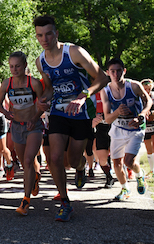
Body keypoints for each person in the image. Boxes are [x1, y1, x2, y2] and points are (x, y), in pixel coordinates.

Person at [34, 15, 109, 221]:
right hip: (58, 112)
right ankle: (65, 202)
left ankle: (82, 166)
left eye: (49, 33)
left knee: (73, 160)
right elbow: (49, 89)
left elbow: (102, 78)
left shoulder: (74, 52)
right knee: (55, 158)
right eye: (40, 35)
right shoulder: (40, 61)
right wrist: (42, 100)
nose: (45, 38)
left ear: (56, 33)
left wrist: (83, 96)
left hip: (81, 112)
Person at [0, 51, 44, 215]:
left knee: (29, 160)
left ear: (24, 66)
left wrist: (35, 117)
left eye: (17, 66)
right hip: (16, 126)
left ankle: (25, 200)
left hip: (34, 126)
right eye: (11, 66)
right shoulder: (6, 83)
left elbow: (44, 104)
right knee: (25, 164)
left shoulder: (34, 83)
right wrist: (5, 113)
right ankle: (35, 176)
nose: (14, 69)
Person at [100, 58, 152, 201]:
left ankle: (139, 175)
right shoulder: (105, 91)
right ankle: (125, 189)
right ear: (107, 73)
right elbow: (108, 118)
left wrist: (141, 116)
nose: (116, 74)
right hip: (118, 129)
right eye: (112, 71)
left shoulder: (134, 86)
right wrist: (117, 112)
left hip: (135, 128)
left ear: (124, 71)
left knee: (129, 161)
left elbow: (149, 101)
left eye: (118, 71)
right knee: (116, 163)